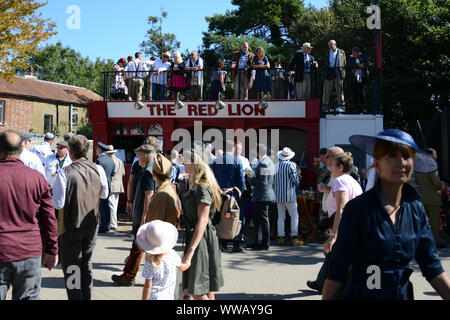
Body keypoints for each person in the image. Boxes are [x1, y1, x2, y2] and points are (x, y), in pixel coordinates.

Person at [323, 129, 450, 300]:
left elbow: (432, 268)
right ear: (377, 163)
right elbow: (338, 270)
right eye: (392, 156)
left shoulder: (415, 210)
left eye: (407, 156)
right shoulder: (358, 209)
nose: (401, 162)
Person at [0, 130, 59, 300]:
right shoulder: (37, 179)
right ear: (21, 149)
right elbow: (49, 218)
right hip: (28, 250)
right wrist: (52, 249)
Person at [52, 134, 108, 300]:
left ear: (70, 152)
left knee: (72, 267)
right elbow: (104, 194)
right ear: (87, 151)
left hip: (71, 225)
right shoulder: (98, 169)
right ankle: (86, 296)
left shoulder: (64, 172)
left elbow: (58, 204)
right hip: (92, 224)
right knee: (86, 264)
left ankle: (76, 298)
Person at [181, 147, 225, 300]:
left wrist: (191, 251)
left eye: (186, 160)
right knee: (205, 288)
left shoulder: (201, 187)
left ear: (195, 163)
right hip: (199, 236)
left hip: (201, 239)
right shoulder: (197, 185)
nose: (183, 163)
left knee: (197, 290)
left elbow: (203, 220)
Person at [112, 144, 157, 286]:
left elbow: (149, 196)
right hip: (148, 216)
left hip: (145, 217)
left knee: (138, 247)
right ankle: (130, 275)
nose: (137, 158)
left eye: (138, 155)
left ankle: (129, 276)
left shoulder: (148, 172)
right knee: (147, 248)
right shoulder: (152, 169)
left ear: (145, 156)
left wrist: (143, 219)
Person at [137, 220, 190, 300]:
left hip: (153, 297)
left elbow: (148, 286)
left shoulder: (150, 261)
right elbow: (182, 267)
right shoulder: (172, 255)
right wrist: (188, 261)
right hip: (168, 296)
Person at [210, 140, 246, 252]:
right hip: (233, 195)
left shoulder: (216, 161)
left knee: (221, 218)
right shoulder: (237, 161)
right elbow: (241, 181)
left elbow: (212, 179)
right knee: (236, 218)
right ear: (234, 148)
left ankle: (222, 243)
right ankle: (236, 242)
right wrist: (240, 193)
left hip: (220, 194)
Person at [415, 148, 445, 248]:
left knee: (422, 222)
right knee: (435, 222)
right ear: (430, 155)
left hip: (422, 198)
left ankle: (420, 241)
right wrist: (443, 185)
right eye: (435, 154)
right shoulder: (431, 165)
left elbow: (417, 182)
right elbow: (436, 183)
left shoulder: (418, 166)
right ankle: (436, 242)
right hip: (433, 199)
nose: (436, 157)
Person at [248, 143, 276, 250]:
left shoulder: (264, 163)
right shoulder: (267, 162)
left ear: (259, 152)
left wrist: (251, 180)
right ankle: (259, 241)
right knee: (259, 219)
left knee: (263, 219)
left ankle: (264, 243)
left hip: (263, 195)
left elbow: (263, 182)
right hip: (263, 195)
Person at [274, 147, 303, 246]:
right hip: (289, 195)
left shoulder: (275, 165)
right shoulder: (291, 165)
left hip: (278, 195)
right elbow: (295, 180)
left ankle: (281, 237)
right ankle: (294, 237)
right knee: (294, 216)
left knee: (281, 216)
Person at [95, 142, 115, 233]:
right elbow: (113, 174)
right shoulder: (111, 160)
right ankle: (107, 224)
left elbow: (96, 174)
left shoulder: (99, 161)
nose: (95, 150)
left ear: (100, 150)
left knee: (102, 207)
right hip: (108, 184)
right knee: (107, 206)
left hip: (101, 185)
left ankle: (103, 226)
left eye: (97, 148)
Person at [322, 40, 347, 113]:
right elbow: (325, 62)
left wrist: (343, 72)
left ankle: (341, 107)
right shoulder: (327, 53)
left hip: (338, 71)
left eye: (331, 45)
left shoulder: (341, 52)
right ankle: (325, 107)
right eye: (329, 45)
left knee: (340, 90)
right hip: (329, 72)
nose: (329, 46)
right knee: (326, 90)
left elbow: (344, 62)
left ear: (335, 44)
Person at [106, 145, 125, 231]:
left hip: (112, 185)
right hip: (119, 185)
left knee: (111, 205)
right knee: (115, 205)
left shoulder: (110, 162)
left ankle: (113, 223)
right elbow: (123, 173)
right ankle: (113, 222)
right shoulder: (120, 161)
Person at [348, 46, 368, 111]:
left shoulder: (363, 56)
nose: (353, 55)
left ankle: (363, 107)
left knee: (361, 91)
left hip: (362, 78)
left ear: (358, 53)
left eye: (354, 53)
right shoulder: (351, 58)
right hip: (353, 78)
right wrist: (358, 65)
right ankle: (356, 106)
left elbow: (366, 64)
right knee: (354, 92)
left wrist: (362, 65)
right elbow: (349, 65)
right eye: (353, 53)